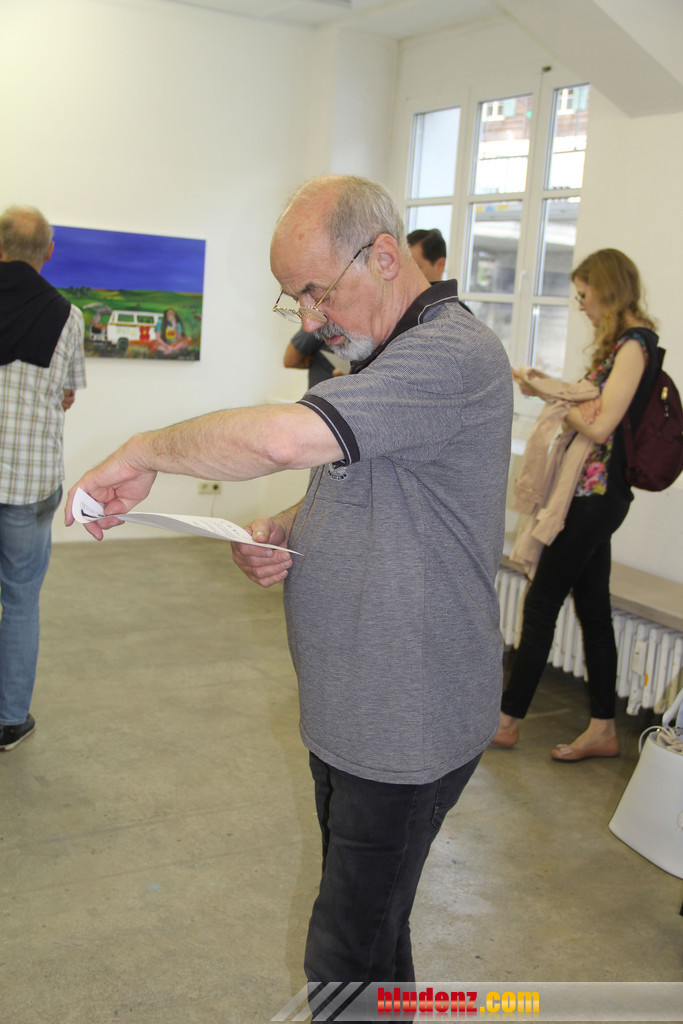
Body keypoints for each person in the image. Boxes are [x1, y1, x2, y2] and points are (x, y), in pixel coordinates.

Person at [65, 175, 513, 989]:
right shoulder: (378, 355)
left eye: (316, 292)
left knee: (342, 957)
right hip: (351, 710)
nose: (308, 321)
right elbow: (373, 488)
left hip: (405, 720)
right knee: (375, 939)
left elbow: (279, 441)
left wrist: (141, 451)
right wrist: (284, 527)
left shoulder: (451, 354)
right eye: (294, 299)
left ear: (383, 258)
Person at [492, 248, 659, 761]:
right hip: (590, 496)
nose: (582, 305)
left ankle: (507, 721)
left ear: (608, 291)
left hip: (595, 498)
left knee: (541, 603)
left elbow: (601, 426)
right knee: (592, 610)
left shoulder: (634, 346)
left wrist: (556, 404)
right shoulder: (623, 346)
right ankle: (604, 729)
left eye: (585, 295)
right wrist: (545, 387)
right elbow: (588, 401)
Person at [0, 205, 86, 751]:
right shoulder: (67, 315)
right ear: (48, 253)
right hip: (29, 482)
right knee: (20, 600)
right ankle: (9, 720)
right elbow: (68, 393)